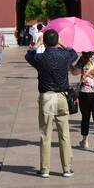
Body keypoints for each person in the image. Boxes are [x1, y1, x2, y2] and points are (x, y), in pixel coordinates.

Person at [26, 28, 76, 178]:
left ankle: (45, 169)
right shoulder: (65, 56)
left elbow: (28, 55)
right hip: (62, 97)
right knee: (64, 135)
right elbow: (73, 53)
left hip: (47, 97)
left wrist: (37, 44)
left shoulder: (40, 58)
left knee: (45, 135)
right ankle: (67, 168)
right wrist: (62, 43)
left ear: (45, 42)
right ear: (57, 42)